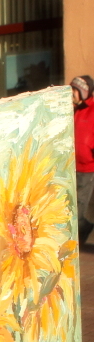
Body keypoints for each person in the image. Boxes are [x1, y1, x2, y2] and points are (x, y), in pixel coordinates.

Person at [73, 76, 94, 243]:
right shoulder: (74, 110)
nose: (71, 93)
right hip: (72, 167)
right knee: (71, 207)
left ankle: (78, 242)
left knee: (79, 208)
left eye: (75, 90)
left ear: (83, 92)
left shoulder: (92, 111)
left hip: (88, 169)